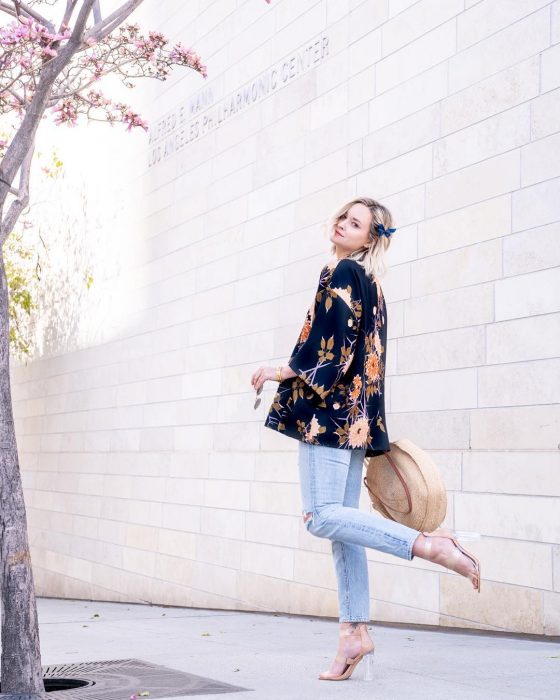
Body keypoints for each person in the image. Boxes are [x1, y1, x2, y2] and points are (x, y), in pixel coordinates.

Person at [250, 197, 480, 682]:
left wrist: (276, 369)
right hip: (354, 421)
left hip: (327, 417)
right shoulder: (369, 283)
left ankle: (428, 545)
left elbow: (326, 350)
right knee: (344, 525)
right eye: (342, 215)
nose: (342, 223)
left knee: (320, 518)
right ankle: (353, 632)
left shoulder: (341, 273)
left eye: (355, 223)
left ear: (370, 238)